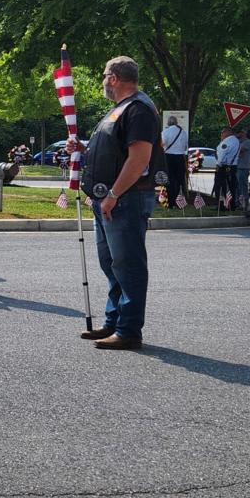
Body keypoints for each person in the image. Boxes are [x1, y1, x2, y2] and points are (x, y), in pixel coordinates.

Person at [74, 56, 164, 352]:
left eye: (104, 75)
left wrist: (113, 195)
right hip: (109, 199)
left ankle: (128, 330)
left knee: (128, 265)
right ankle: (114, 322)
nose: (103, 81)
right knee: (112, 264)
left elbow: (139, 158)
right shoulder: (120, 110)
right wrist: (84, 147)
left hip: (126, 198)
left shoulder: (138, 109)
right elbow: (115, 151)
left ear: (114, 78)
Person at [161, 115, 188, 208]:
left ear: (168, 122)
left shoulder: (166, 132)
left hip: (169, 157)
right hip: (180, 157)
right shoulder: (183, 132)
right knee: (180, 180)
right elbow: (185, 147)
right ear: (176, 122)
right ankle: (180, 203)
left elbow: (162, 144)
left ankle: (170, 202)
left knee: (170, 180)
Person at [212, 127, 240, 209]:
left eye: (222, 133)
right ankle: (231, 204)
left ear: (226, 133)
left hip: (223, 167)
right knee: (231, 186)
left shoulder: (226, 142)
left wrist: (218, 164)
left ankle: (222, 205)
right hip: (233, 166)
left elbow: (221, 155)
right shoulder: (236, 141)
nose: (221, 135)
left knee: (220, 186)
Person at [235, 128, 250, 209]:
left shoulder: (247, 142)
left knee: (243, 186)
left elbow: (239, 151)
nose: (239, 133)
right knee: (237, 186)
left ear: (245, 134)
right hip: (237, 167)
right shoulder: (240, 142)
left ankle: (245, 204)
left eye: (241, 132)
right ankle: (238, 203)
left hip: (243, 167)